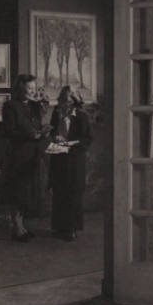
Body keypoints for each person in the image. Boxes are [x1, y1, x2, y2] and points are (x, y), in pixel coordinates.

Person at [2, 74, 51, 242]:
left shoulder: (34, 105)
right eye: (29, 88)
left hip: (33, 153)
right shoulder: (10, 106)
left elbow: (38, 124)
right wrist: (31, 134)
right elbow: (8, 132)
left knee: (27, 192)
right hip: (18, 154)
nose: (32, 91)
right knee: (17, 191)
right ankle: (17, 228)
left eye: (33, 88)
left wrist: (43, 129)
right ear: (20, 88)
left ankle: (21, 226)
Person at [48, 85, 92, 241]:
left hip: (74, 159)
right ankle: (60, 226)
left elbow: (87, 139)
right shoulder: (56, 113)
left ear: (74, 101)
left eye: (67, 101)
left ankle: (72, 228)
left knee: (73, 193)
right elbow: (53, 132)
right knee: (59, 191)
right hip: (58, 156)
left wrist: (70, 144)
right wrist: (55, 137)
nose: (64, 104)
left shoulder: (82, 116)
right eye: (62, 100)